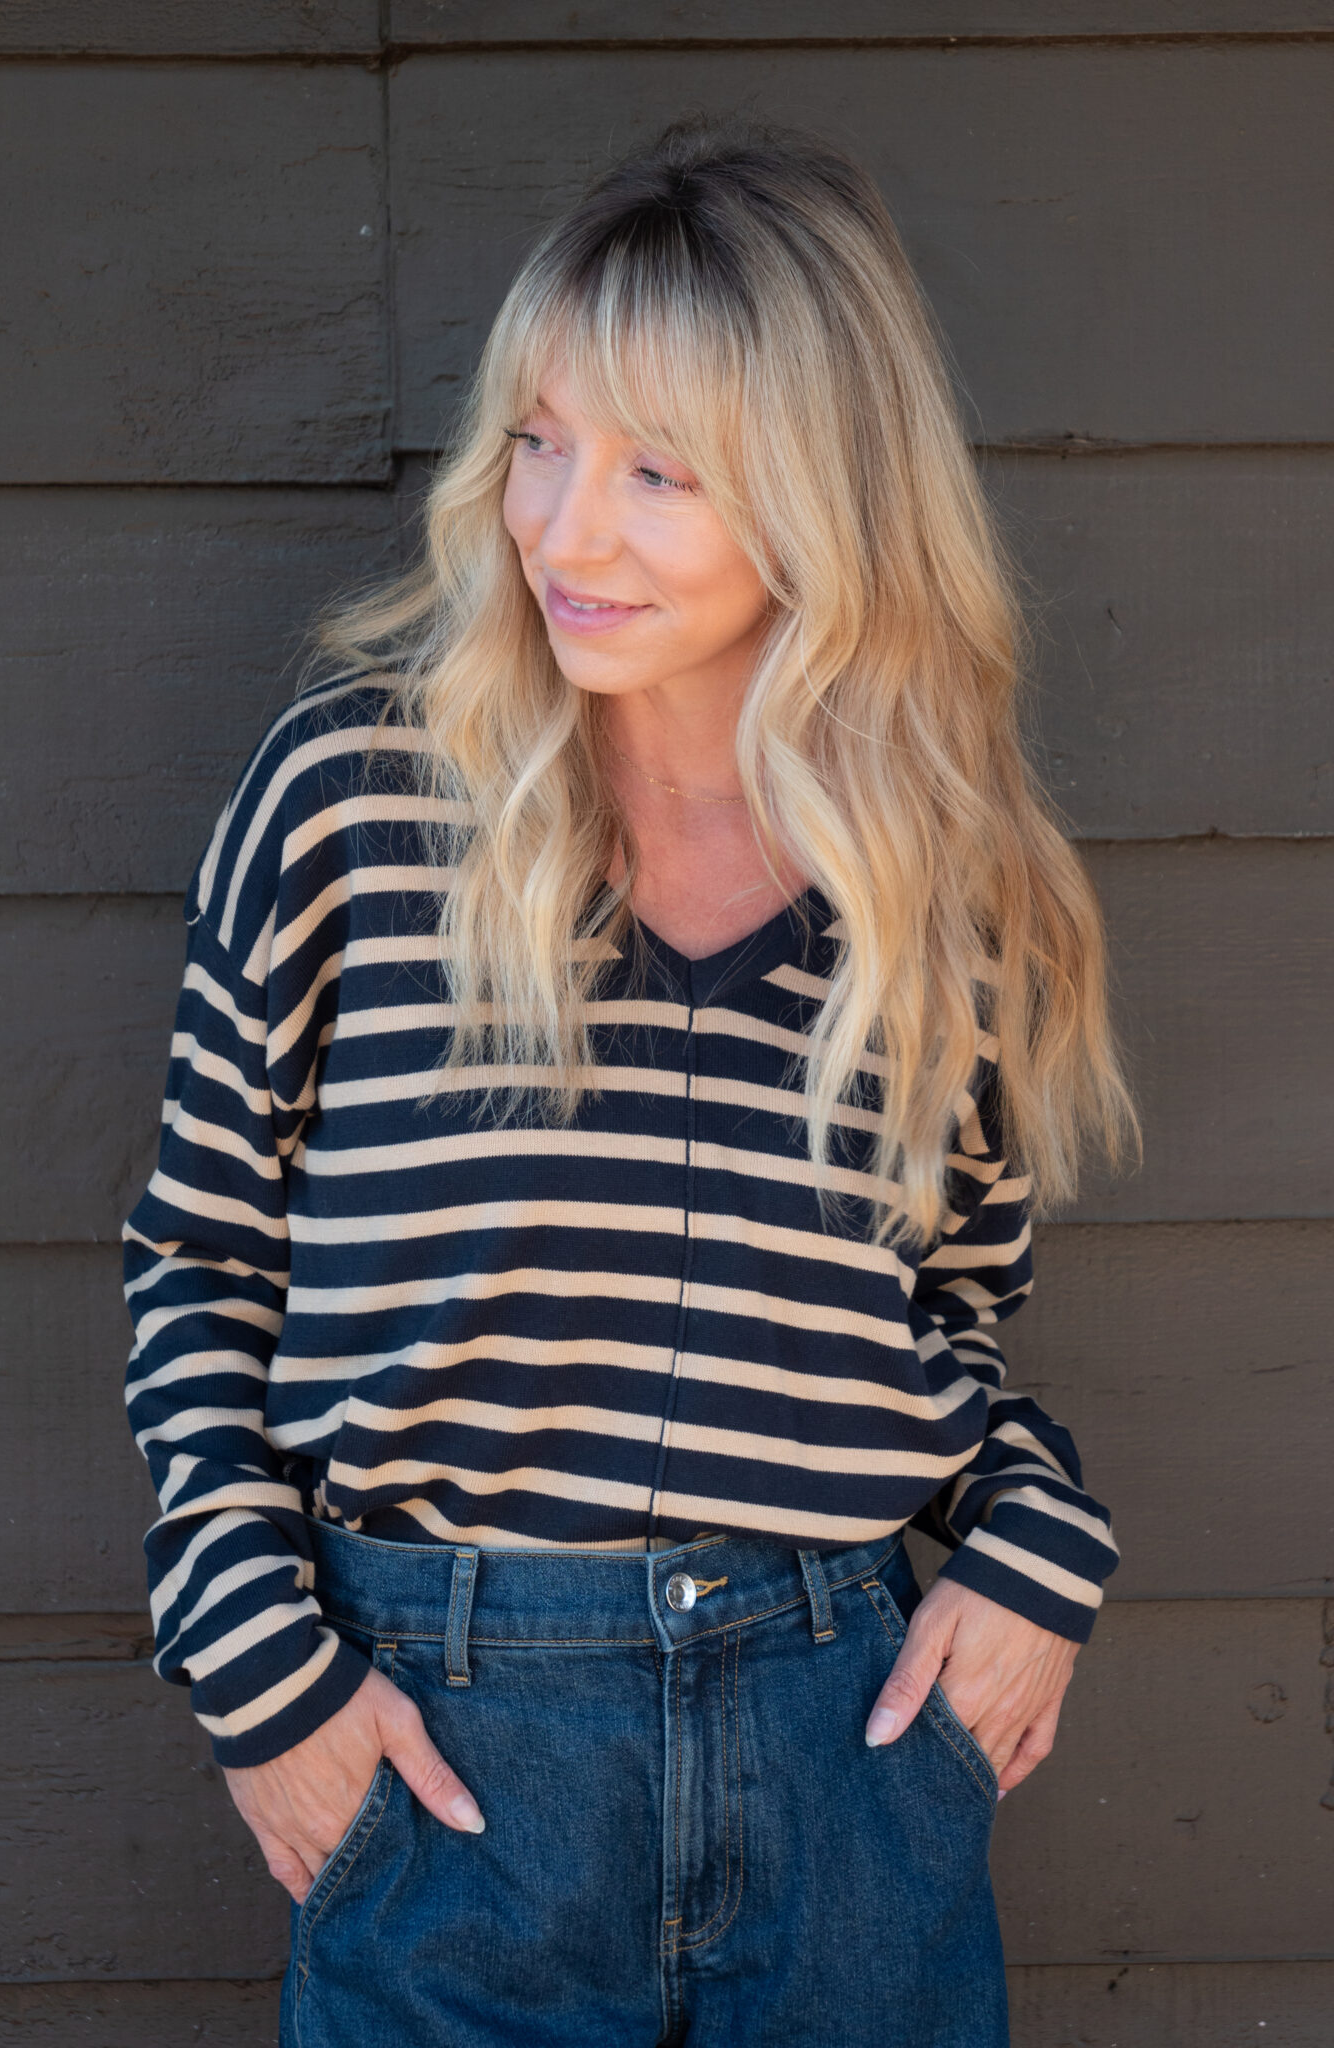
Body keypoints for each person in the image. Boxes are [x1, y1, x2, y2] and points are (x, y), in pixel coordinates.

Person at [122, 120, 1137, 2048]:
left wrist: (1041, 1549)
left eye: (662, 473)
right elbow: (197, 1267)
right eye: (541, 441)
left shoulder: (948, 895)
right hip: (448, 1756)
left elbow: (949, 1322)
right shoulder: (352, 806)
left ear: (830, 503)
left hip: (847, 1750)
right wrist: (264, 1675)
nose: (566, 530)